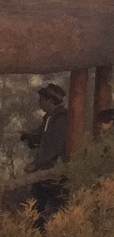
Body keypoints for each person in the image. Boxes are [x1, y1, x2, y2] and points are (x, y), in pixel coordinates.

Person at [19, 83, 68, 225]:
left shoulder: (61, 119)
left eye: (42, 100)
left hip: (56, 173)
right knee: (38, 205)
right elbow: (41, 136)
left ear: (50, 101)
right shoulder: (49, 118)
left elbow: (54, 147)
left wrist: (36, 164)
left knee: (48, 207)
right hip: (47, 171)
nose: (39, 103)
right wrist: (29, 137)